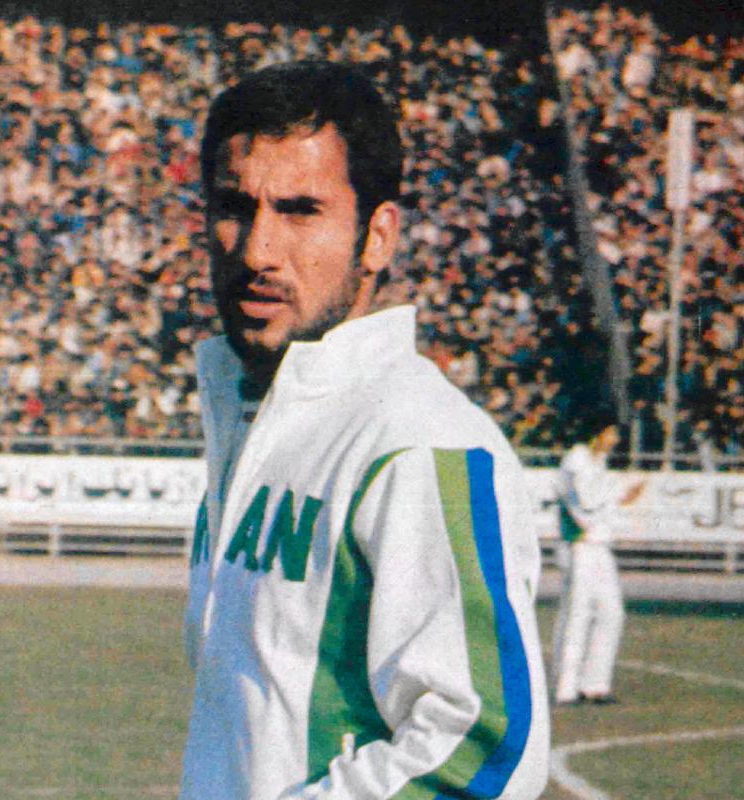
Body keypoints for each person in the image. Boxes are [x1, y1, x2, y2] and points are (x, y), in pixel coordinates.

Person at [179, 60, 549, 800]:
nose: (257, 251)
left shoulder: (419, 441)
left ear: (377, 237)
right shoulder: (259, 420)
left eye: (300, 211)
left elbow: (483, 750)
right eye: (235, 206)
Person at [551, 421, 644, 705]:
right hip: (579, 545)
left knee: (611, 613)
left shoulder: (597, 461)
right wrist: (617, 494)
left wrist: (622, 497)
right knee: (577, 616)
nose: (615, 439)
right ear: (597, 432)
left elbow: (600, 505)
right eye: (611, 433)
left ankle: (595, 685)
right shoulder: (576, 461)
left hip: (599, 546)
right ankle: (566, 687)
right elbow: (586, 504)